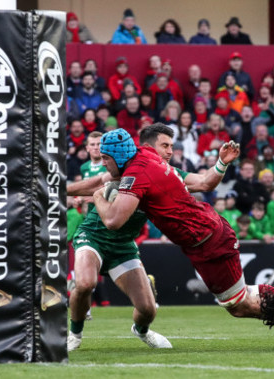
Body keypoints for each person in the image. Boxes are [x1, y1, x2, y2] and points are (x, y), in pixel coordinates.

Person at [88, 126, 274, 320]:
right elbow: (204, 182)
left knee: (239, 305)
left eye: (105, 158)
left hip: (209, 240)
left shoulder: (138, 173)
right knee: (241, 298)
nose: (103, 163)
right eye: (166, 146)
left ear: (118, 155)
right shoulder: (146, 159)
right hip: (203, 239)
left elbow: (113, 221)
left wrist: (98, 197)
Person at [66, 124, 246, 351]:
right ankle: (74, 333)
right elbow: (96, 185)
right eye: (165, 146)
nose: (170, 152)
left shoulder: (168, 174)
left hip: (123, 245)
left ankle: (141, 331)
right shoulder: (128, 168)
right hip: (94, 236)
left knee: (148, 309)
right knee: (85, 283)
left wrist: (221, 162)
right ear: (149, 148)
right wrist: (62, 190)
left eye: (171, 146)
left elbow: (204, 183)